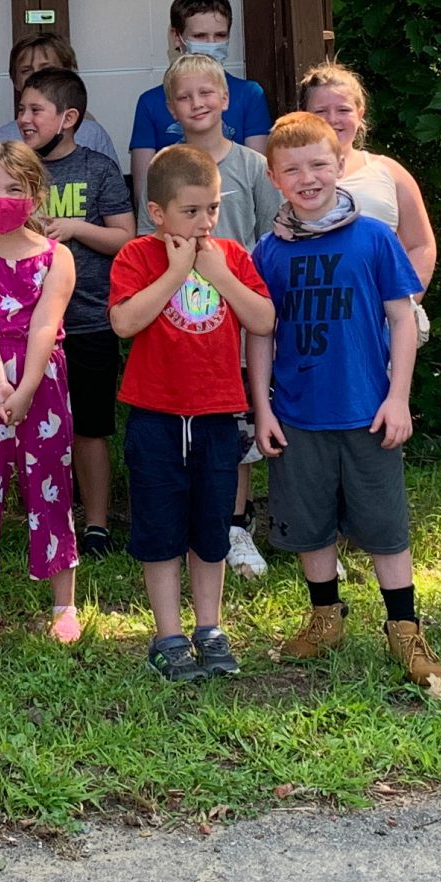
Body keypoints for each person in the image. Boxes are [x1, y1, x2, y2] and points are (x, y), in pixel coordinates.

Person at [248, 113, 441, 690]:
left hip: (368, 410)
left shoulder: (374, 238)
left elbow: (401, 320)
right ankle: (325, 614)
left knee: (384, 524)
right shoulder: (269, 252)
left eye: (318, 164)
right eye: (292, 169)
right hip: (298, 413)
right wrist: (262, 408)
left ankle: (404, 627)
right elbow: (260, 332)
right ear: (274, 178)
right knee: (308, 524)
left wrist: (398, 397)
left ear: (340, 164)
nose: (307, 178)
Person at [110, 143, 276, 682]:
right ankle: (169, 635)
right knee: (159, 530)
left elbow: (264, 319)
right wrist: (176, 270)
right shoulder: (136, 256)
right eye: (191, 211)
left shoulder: (230, 255)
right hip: (155, 415)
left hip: (216, 414)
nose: (205, 221)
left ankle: (209, 627)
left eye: (212, 208)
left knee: (210, 527)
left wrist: (218, 274)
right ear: (157, 213)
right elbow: (124, 322)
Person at [0, 141, 82, 646]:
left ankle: (63, 603)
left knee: (50, 484)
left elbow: (46, 323)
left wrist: (25, 388)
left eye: (14, 188)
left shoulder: (58, 255)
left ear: (36, 194)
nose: (1, 197)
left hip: (42, 383)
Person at [15, 67, 134, 557]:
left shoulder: (99, 168)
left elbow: (126, 238)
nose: (23, 119)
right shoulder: (14, 170)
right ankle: (44, 517)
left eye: (35, 110)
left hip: (88, 321)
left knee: (89, 427)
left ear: (68, 118)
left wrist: (75, 227)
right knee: (33, 425)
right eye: (21, 108)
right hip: (23, 324)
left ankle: (97, 526)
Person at [163, 51, 274, 575]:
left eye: (206, 93)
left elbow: (273, 233)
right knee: (193, 415)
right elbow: (151, 239)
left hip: (241, 307)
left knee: (241, 417)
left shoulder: (252, 165)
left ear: (226, 98)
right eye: (184, 97)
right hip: (185, 313)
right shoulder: (167, 166)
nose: (196, 104)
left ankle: (235, 524)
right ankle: (192, 522)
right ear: (171, 107)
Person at [127, 0, 273, 205]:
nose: (211, 44)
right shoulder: (150, 102)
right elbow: (144, 192)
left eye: (220, 35)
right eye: (200, 36)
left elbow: (261, 182)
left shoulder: (249, 94)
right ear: (177, 37)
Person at [296, 63, 437, 287]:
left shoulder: (389, 171)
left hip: (383, 311)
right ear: (304, 116)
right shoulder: (287, 177)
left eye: (343, 110)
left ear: (360, 114)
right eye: (321, 111)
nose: (333, 119)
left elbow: (421, 245)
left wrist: (406, 302)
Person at [0, 32, 122, 160]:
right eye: (26, 70)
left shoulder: (92, 134)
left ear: (67, 74)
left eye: (46, 69)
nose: (36, 76)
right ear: (15, 81)